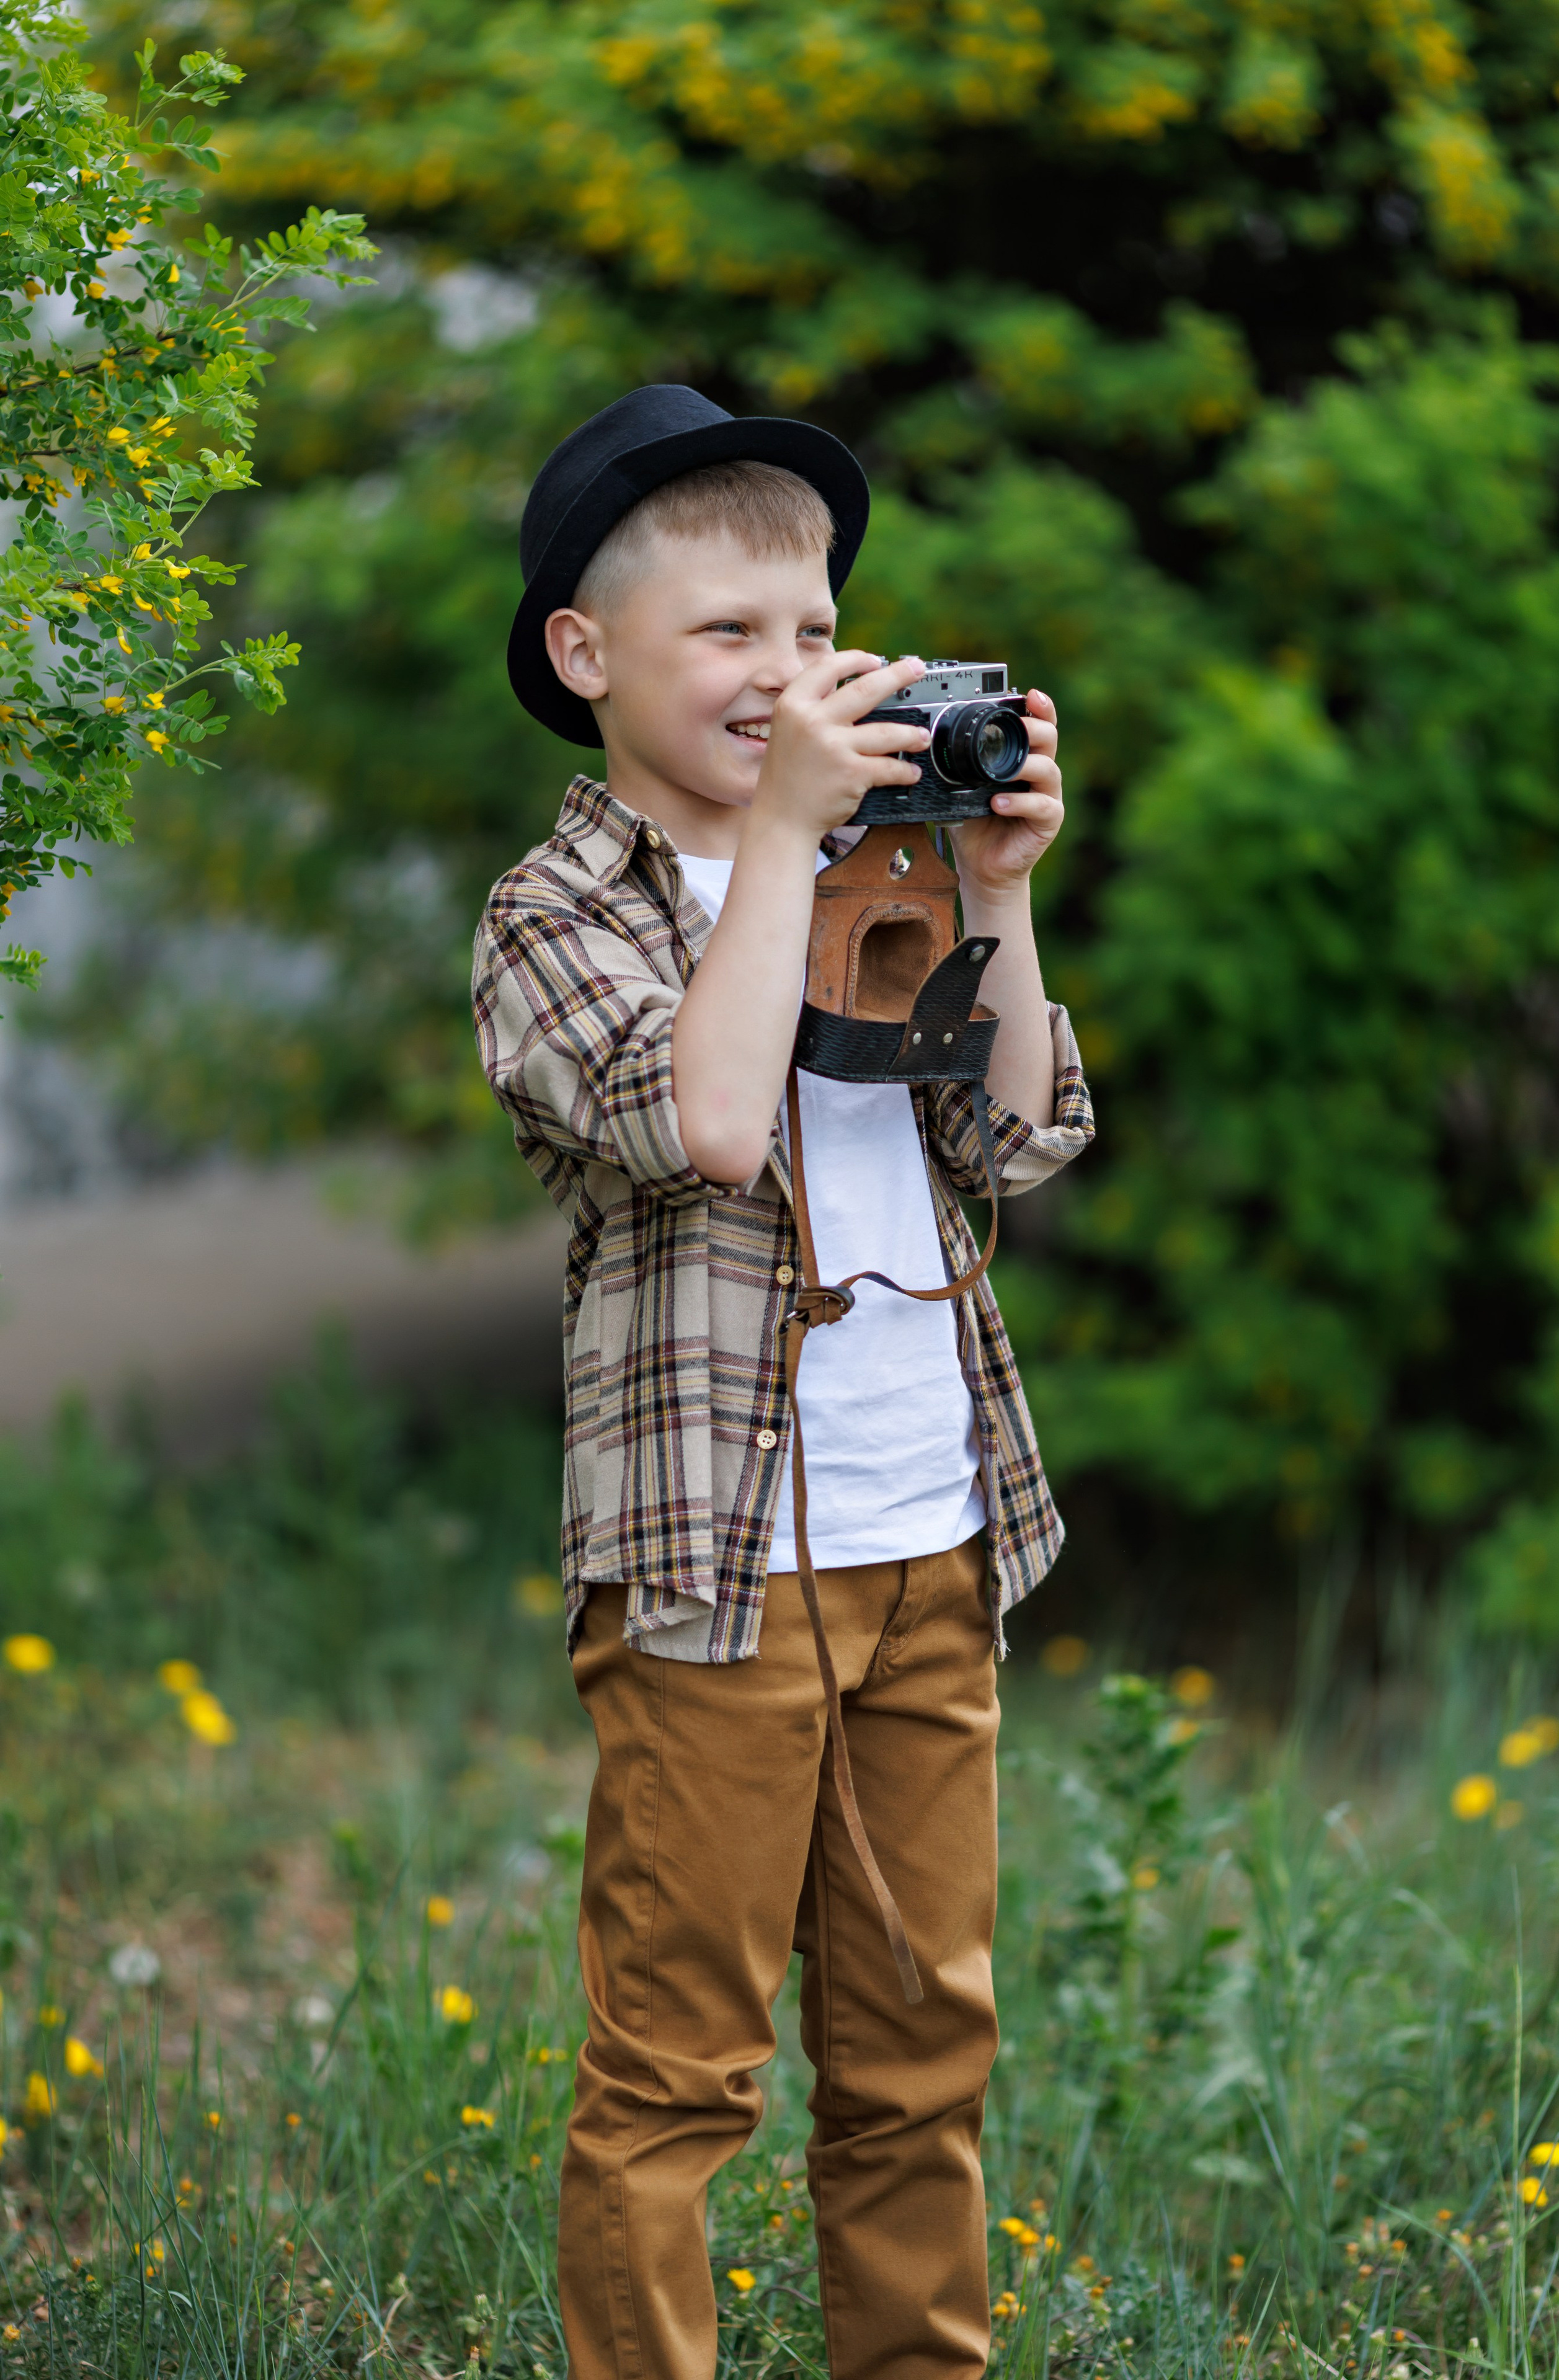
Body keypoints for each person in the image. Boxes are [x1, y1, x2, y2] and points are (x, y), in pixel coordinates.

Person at [473, 384, 1094, 2380]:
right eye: (731, 632)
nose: (791, 672)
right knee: (681, 2073)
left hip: (933, 1541)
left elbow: (1016, 1143)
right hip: (715, 1584)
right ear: (589, 655)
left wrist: (990, 887)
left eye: (820, 632)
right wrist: (781, 844)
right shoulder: (555, 916)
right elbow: (714, 1122)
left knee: (923, 2063)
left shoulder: (875, 859)